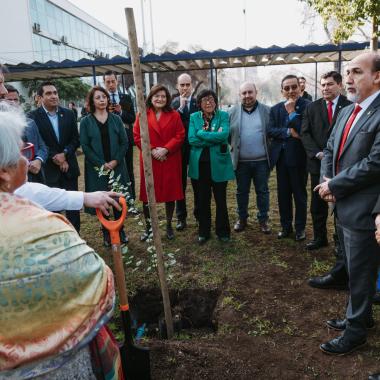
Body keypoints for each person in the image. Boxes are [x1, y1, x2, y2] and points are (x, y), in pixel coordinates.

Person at [0, 108, 123, 379]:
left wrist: (83, 198)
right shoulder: (47, 230)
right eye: (23, 153)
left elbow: (32, 191)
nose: (27, 159)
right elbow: (101, 289)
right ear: (5, 174)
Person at [316, 52, 380, 355]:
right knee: (355, 270)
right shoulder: (347, 111)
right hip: (342, 205)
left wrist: (334, 185)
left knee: (362, 271)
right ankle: (361, 317)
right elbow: (329, 147)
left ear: (377, 76)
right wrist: (327, 180)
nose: (349, 79)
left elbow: (375, 163)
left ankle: (355, 332)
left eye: (356, 72)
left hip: (365, 210)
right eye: (347, 72)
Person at [301, 72, 352, 251]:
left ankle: (340, 241)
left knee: (340, 203)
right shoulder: (312, 107)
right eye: (322, 85)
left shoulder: (351, 106)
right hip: (318, 164)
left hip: (342, 164)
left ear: (339, 85)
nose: (325, 88)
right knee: (318, 203)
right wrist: (317, 153)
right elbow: (305, 133)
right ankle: (319, 237)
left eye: (329, 84)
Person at [28, 81, 81, 232]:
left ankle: (76, 237)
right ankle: (58, 239)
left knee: (73, 207)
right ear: (40, 97)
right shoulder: (33, 117)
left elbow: (75, 139)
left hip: (69, 167)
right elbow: (39, 143)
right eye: (49, 93)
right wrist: (55, 158)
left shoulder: (69, 114)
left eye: (55, 93)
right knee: (53, 209)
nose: (54, 96)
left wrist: (64, 154)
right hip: (48, 170)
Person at [80, 86, 130, 246]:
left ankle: (120, 230)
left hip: (117, 165)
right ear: (92, 101)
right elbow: (85, 146)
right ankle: (106, 233)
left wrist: (115, 161)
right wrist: (102, 164)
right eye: (98, 97)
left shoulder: (116, 119)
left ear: (108, 99)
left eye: (104, 97)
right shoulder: (86, 122)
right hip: (97, 169)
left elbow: (124, 142)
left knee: (118, 198)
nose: (102, 100)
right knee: (101, 199)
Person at [133, 84, 185, 240]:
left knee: (170, 194)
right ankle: (149, 228)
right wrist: (153, 150)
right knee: (148, 195)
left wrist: (166, 149)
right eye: (157, 96)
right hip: (150, 160)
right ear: (151, 97)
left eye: (163, 96)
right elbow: (137, 136)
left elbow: (180, 135)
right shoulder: (142, 114)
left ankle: (169, 225)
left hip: (169, 158)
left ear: (167, 99)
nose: (160, 99)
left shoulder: (175, 115)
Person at [188, 89, 235, 244]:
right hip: (200, 165)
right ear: (199, 104)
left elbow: (224, 136)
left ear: (215, 101)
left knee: (221, 199)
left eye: (211, 99)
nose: (208, 102)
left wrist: (201, 133)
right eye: (204, 100)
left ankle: (223, 231)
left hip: (219, 165)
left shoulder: (223, 116)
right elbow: (192, 139)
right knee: (202, 199)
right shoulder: (194, 117)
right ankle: (204, 231)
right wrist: (212, 138)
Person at [268, 75, 310, 241]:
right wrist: (287, 132)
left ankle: (300, 229)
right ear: (282, 91)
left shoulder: (308, 107)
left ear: (300, 88)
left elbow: (303, 132)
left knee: (299, 194)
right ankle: (286, 227)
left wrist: (292, 112)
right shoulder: (275, 109)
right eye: (287, 88)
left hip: (299, 159)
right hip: (281, 159)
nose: (291, 91)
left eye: (294, 87)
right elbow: (270, 130)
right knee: (283, 195)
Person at [229, 81, 271, 234]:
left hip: (262, 161)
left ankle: (263, 220)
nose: (247, 96)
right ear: (240, 95)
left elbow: (272, 134)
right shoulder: (231, 112)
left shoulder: (267, 111)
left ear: (256, 92)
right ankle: (242, 219)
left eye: (250, 92)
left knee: (263, 191)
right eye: (244, 93)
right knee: (241, 191)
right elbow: (228, 136)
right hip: (241, 162)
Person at [103, 71, 137, 203]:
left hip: (126, 140)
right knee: (111, 171)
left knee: (128, 170)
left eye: (113, 81)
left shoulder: (126, 98)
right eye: (108, 82)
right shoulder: (102, 99)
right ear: (104, 83)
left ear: (117, 82)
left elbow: (132, 118)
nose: (111, 84)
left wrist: (121, 111)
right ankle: (113, 201)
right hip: (108, 141)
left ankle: (131, 201)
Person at [171, 73, 199, 230]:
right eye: (182, 85)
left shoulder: (198, 103)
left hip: (195, 149)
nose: (185, 88)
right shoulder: (173, 104)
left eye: (187, 84)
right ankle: (181, 217)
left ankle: (199, 215)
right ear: (177, 86)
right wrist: (180, 108)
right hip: (178, 150)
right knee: (179, 185)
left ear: (192, 85)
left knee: (197, 183)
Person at [4, 84, 48, 184]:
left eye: (16, 100)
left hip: (35, 178)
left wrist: (38, 160)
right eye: (9, 100)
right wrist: (26, 164)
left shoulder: (30, 122)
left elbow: (42, 146)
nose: (13, 103)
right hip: (11, 181)